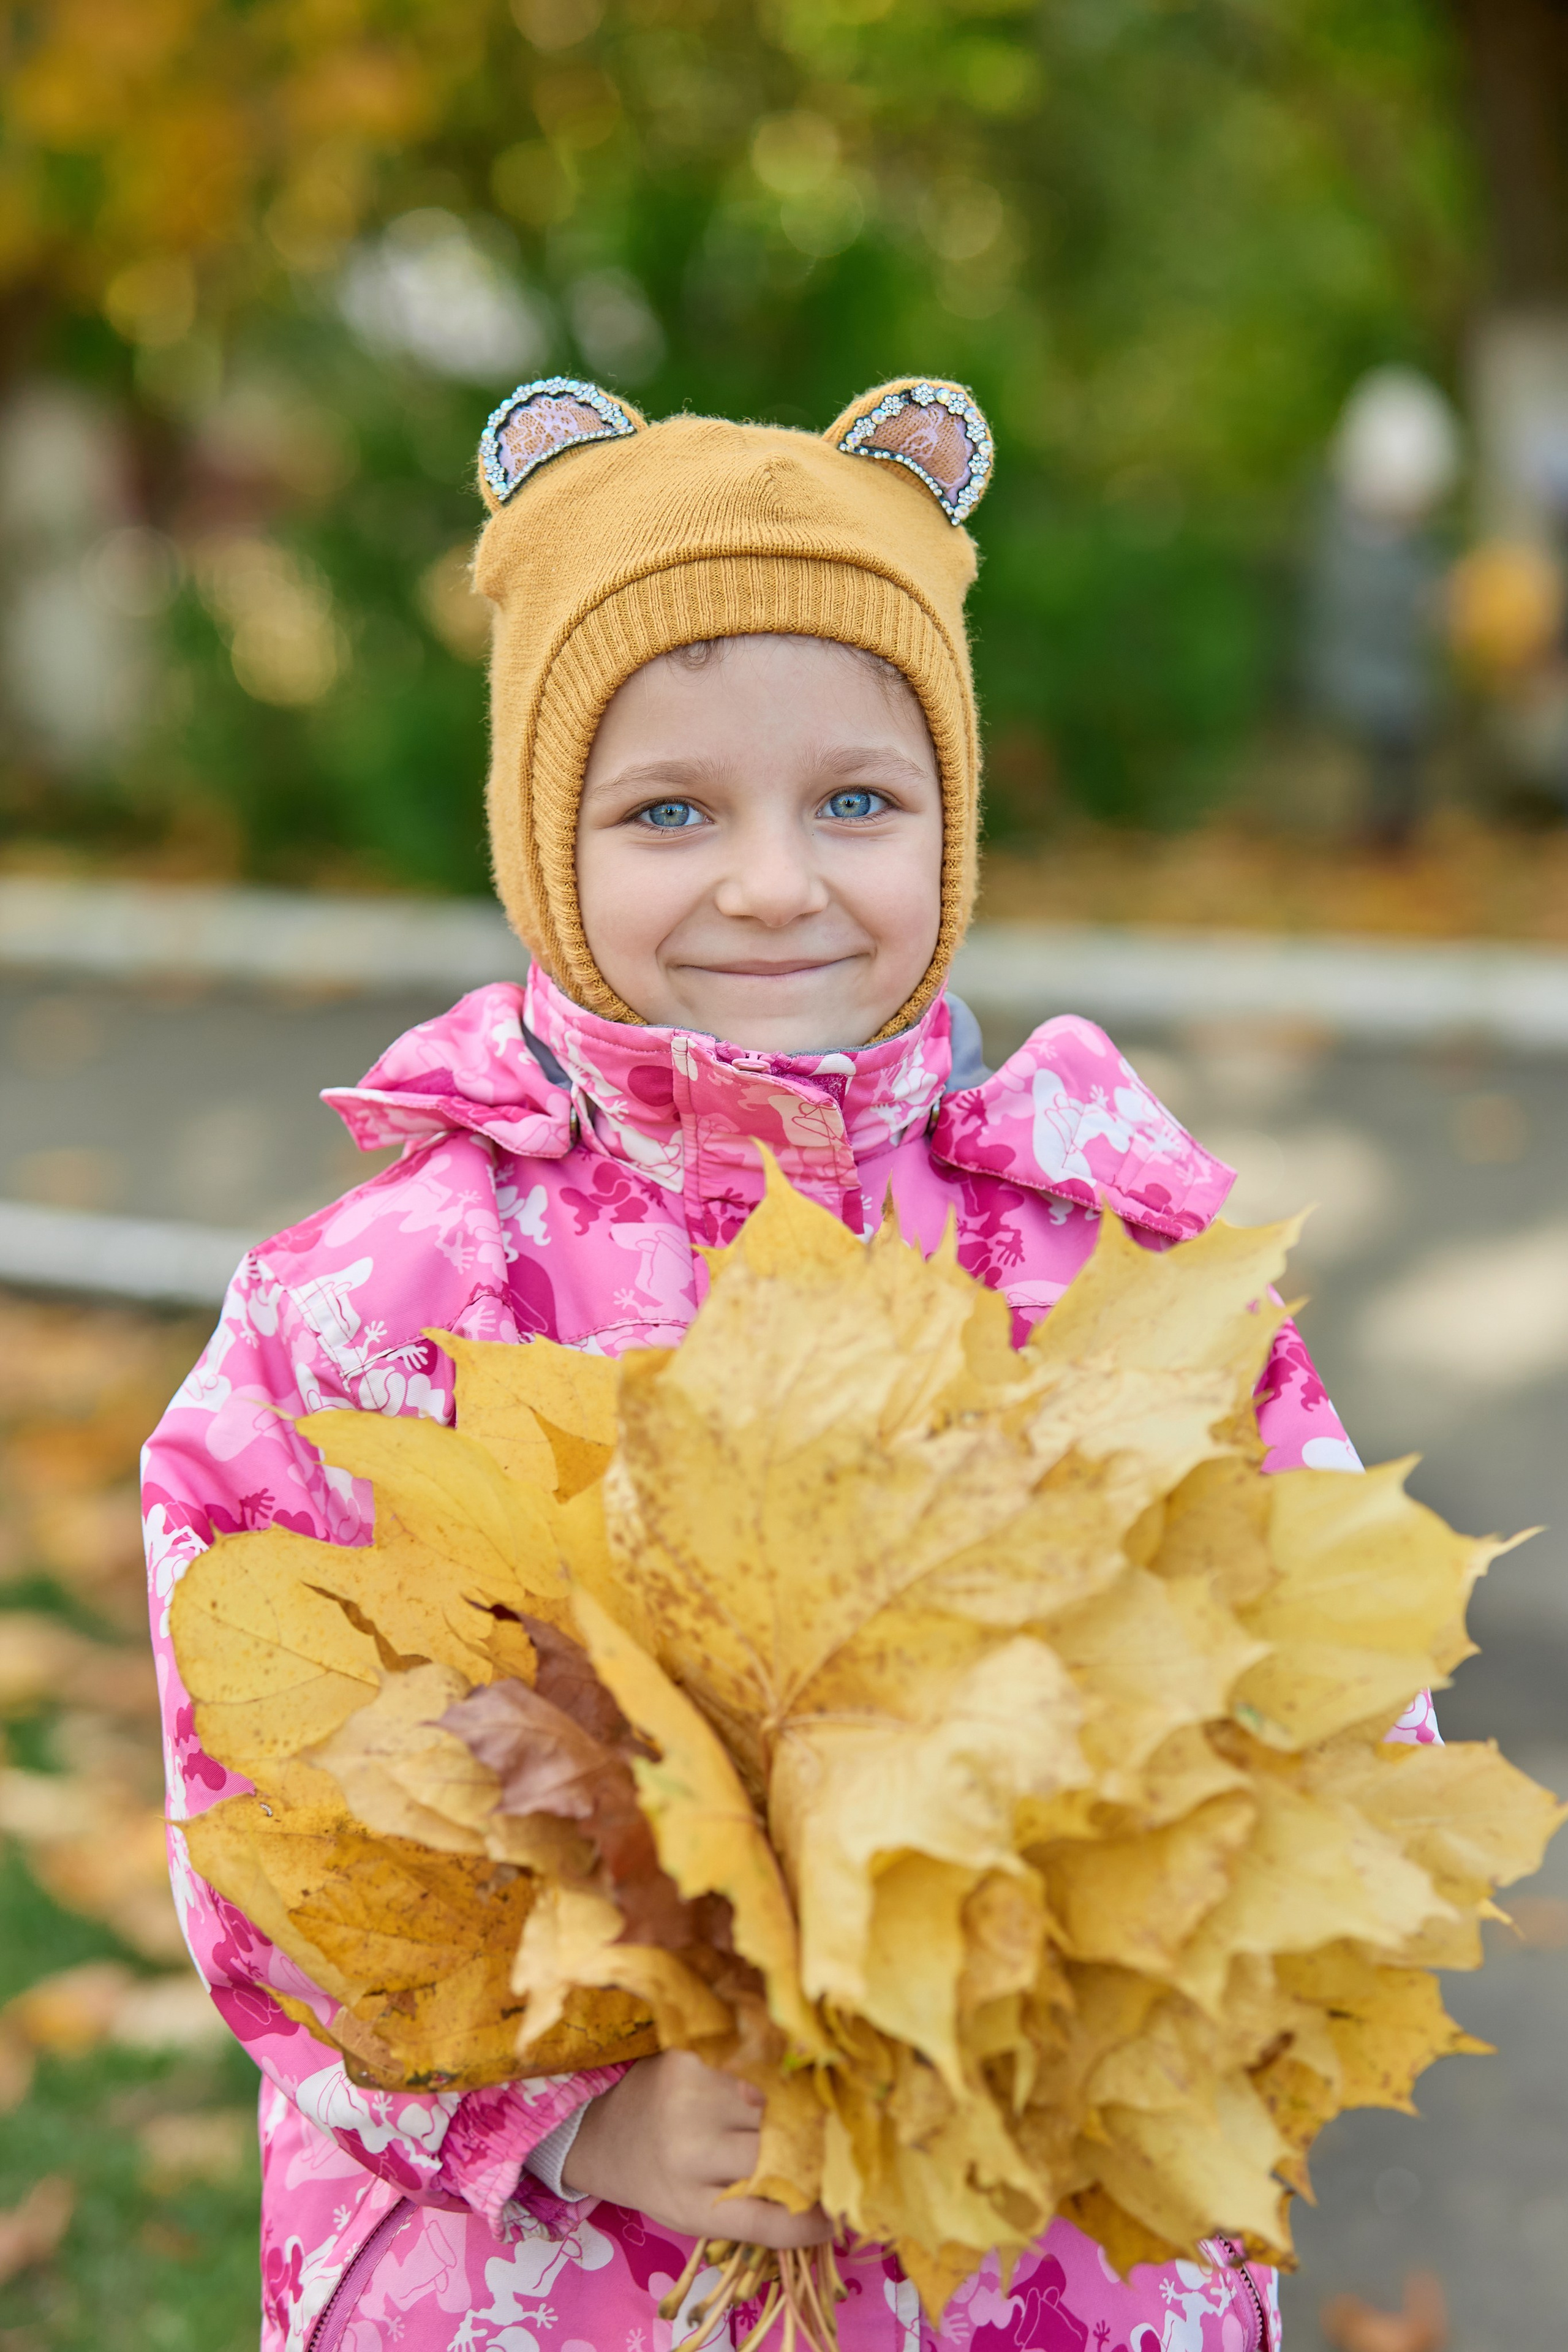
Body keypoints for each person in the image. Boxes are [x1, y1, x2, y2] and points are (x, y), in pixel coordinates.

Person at [143, 375, 1434, 2352]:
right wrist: (581, 2119)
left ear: (953, 819)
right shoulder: (376, 1306)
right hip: (557, 2276)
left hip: (1029, 2240)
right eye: (671, 811)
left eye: (856, 800)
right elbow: (273, 1816)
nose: (773, 882)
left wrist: (1114, 2002)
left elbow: (1324, 1683)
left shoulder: (1101, 1258)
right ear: (544, 840)